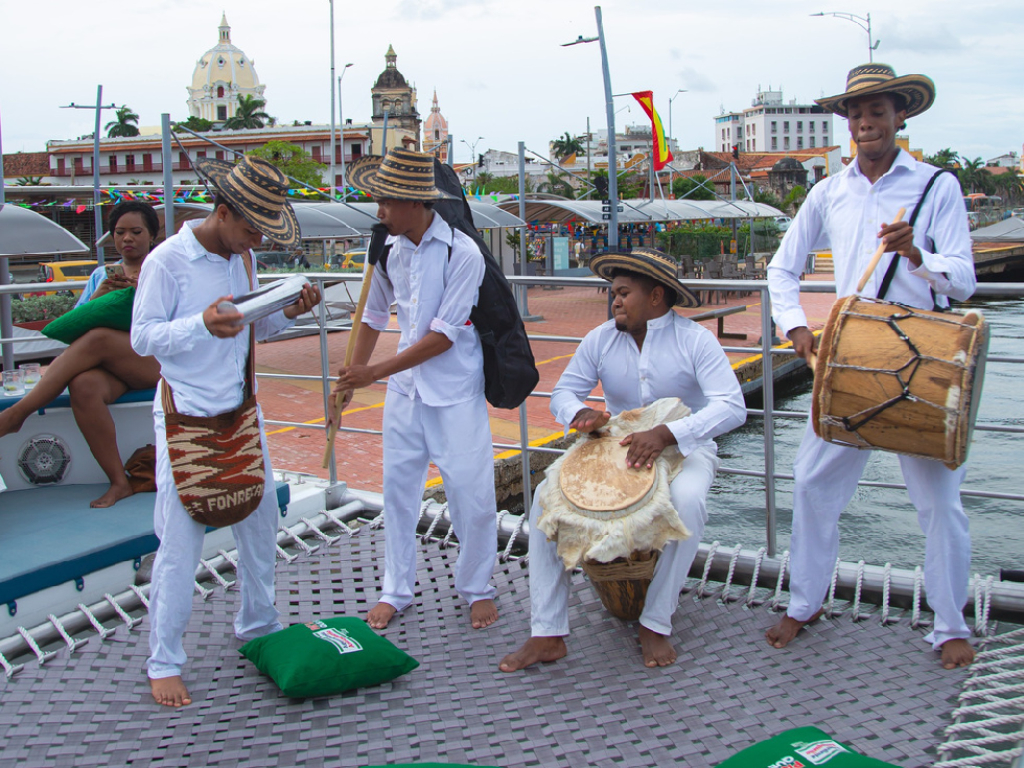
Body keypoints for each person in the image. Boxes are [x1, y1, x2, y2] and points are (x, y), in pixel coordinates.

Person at [764, 64, 977, 669]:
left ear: (899, 116)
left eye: (878, 110)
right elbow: (783, 268)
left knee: (939, 502)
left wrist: (919, 254)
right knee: (812, 484)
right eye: (856, 113)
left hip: (923, 359)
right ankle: (805, 603)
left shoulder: (938, 185)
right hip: (849, 358)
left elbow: (961, 282)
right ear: (847, 122)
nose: (866, 122)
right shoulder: (828, 191)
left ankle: (950, 622)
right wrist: (797, 328)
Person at [500, 247, 746, 671]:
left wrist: (667, 432)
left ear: (655, 297)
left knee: (687, 501)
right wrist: (580, 416)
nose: (613, 300)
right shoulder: (600, 338)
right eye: (612, 292)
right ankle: (548, 632)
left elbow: (732, 406)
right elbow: (564, 392)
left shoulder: (695, 340)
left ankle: (656, 622)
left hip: (684, 446)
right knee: (543, 497)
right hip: (612, 446)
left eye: (624, 292)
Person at [132, 156, 320, 707]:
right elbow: (143, 338)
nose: (255, 239)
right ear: (221, 212)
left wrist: (291, 308)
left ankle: (258, 627)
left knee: (261, 527)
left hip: (240, 410)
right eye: (250, 227)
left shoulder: (242, 256)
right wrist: (201, 324)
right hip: (185, 415)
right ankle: (163, 660)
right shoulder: (167, 261)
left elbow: (251, 326)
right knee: (180, 541)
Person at [330, 148, 499, 632]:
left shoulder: (461, 252)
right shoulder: (387, 248)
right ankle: (396, 589)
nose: (378, 211)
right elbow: (371, 315)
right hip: (406, 392)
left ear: (414, 203)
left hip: (453, 391)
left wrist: (374, 373)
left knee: (471, 493)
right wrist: (349, 377)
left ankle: (477, 587)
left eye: (385, 201)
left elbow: (444, 336)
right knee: (398, 491)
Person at [0, 200, 163, 508]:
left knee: (99, 338)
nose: (127, 238)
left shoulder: (164, 270)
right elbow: (76, 331)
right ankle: (119, 482)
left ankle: (16, 414)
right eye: (119, 232)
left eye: (136, 232)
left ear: (152, 236)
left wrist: (144, 293)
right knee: (84, 385)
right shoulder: (101, 275)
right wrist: (100, 297)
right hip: (115, 367)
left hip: (154, 362)